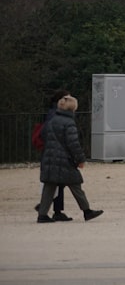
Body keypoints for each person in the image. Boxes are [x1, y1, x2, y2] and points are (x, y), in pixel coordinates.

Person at [36, 94, 104, 223]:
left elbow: (43, 135)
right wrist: (80, 159)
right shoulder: (69, 123)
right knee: (75, 184)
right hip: (64, 159)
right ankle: (87, 211)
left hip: (49, 157)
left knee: (49, 186)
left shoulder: (52, 120)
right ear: (73, 109)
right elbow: (73, 144)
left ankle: (42, 214)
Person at [34, 89, 72, 221]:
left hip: (55, 151)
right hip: (56, 151)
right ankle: (50, 209)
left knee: (57, 182)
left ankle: (53, 209)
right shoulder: (55, 115)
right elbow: (47, 132)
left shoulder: (55, 114)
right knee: (57, 182)